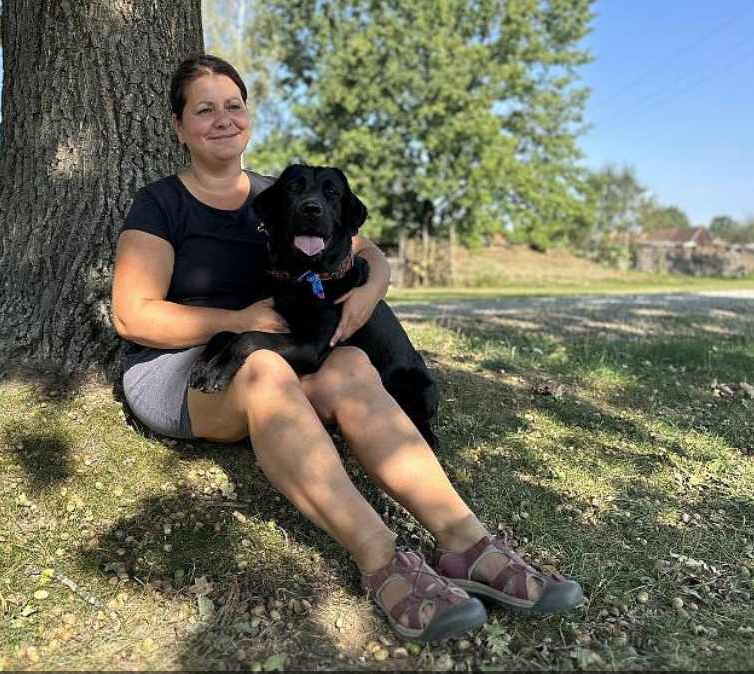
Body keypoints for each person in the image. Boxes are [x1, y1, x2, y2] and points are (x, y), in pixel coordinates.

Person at [111, 54, 584, 643]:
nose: (223, 119)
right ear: (179, 127)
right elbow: (133, 315)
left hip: (269, 354)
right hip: (181, 368)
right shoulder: (161, 203)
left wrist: (369, 293)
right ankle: (383, 561)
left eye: (233, 105)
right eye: (204, 110)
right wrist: (237, 320)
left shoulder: (282, 193)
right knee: (264, 370)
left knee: (353, 362)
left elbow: (369, 252)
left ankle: (466, 543)